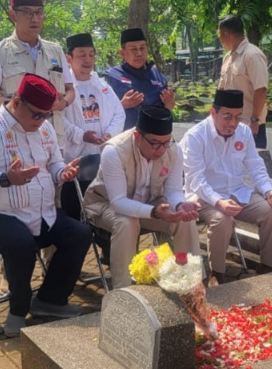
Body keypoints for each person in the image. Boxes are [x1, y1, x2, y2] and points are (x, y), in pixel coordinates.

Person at [0, 73, 91, 337]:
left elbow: (53, 162)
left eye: (47, 115)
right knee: (20, 243)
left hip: (40, 212)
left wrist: (62, 173)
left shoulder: (43, 127)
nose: (42, 122)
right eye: (37, 115)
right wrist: (4, 178)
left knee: (79, 234)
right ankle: (18, 311)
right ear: (17, 102)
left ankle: (50, 300)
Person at [83, 105, 201, 289]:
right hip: (105, 204)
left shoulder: (173, 149)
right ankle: (125, 291)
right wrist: (154, 212)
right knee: (127, 222)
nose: (162, 149)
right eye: (155, 143)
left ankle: (192, 282)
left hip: (150, 204)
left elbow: (173, 190)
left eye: (166, 142)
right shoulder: (114, 151)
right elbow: (119, 202)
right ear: (138, 136)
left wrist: (179, 206)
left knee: (184, 220)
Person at [181, 89, 272, 285]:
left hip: (237, 192)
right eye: (227, 117)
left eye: (238, 117)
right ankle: (216, 273)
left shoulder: (243, 132)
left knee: (271, 211)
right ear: (213, 112)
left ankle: (269, 267)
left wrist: (268, 191)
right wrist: (219, 202)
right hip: (204, 197)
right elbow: (196, 179)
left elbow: (255, 167)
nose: (233, 123)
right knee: (222, 219)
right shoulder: (195, 136)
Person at [0, 0, 75, 152]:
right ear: (13, 15)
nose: (35, 19)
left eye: (39, 13)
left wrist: (63, 103)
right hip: (16, 142)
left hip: (53, 141)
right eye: (27, 13)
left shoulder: (55, 50)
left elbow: (70, 89)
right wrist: (20, 106)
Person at [60, 32, 126, 220]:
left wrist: (110, 134)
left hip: (103, 158)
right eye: (82, 55)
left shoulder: (102, 85)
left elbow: (119, 112)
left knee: (103, 211)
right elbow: (57, 118)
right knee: (74, 212)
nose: (88, 59)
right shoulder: (63, 88)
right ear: (69, 58)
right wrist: (82, 135)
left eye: (91, 54)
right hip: (74, 161)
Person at [104, 28, 175, 130]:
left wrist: (169, 106)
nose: (139, 53)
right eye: (133, 49)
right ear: (122, 53)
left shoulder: (158, 77)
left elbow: (166, 112)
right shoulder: (112, 77)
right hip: (125, 139)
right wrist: (122, 105)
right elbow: (100, 114)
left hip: (155, 139)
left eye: (142, 48)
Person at [216, 14, 270, 148]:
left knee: (251, 166)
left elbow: (261, 89)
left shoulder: (252, 55)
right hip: (229, 125)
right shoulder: (228, 58)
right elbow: (221, 90)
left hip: (250, 125)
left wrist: (255, 119)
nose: (219, 39)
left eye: (219, 35)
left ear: (226, 34)